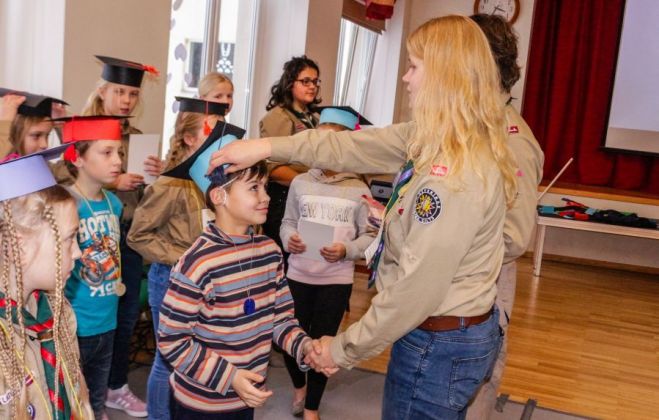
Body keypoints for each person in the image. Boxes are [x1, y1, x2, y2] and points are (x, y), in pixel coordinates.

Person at [207, 15, 518, 419]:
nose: (406, 78)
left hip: (437, 341)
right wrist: (266, 146)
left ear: (444, 76)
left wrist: (342, 348)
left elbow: (416, 290)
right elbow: (348, 148)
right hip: (446, 333)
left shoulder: (453, 175)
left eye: (414, 66)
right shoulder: (439, 138)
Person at [157, 123, 313, 419]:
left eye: (265, 186)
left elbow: (280, 318)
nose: (266, 196)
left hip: (245, 397)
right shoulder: (197, 264)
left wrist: (303, 347)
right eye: (254, 188)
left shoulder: (269, 252)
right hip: (200, 404)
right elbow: (172, 340)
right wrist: (229, 377)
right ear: (219, 197)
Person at [127, 97, 229, 420]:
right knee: (168, 358)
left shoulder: (213, 180)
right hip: (170, 280)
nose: (216, 141)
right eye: (208, 133)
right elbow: (137, 235)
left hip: (205, 283)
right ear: (188, 138)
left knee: (195, 356)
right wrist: (182, 257)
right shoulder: (171, 183)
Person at [466, 14, 544, 420]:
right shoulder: (463, 124)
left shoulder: (513, 141)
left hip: (485, 281)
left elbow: (514, 239)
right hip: (449, 281)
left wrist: (449, 247)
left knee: (477, 379)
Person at [280, 106, 374, 420]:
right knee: (290, 340)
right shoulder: (300, 183)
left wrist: (346, 249)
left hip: (335, 282)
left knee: (323, 344)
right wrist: (289, 238)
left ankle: (311, 408)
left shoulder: (359, 190)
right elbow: (287, 222)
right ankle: (299, 389)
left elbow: (370, 236)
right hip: (298, 275)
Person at [82, 55, 161, 417]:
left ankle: (114, 386)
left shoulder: (136, 137)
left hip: (129, 236)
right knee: (88, 319)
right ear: (102, 90)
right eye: (119, 91)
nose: (127, 100)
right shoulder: (83, 131)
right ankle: (80, 387)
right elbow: (68, 180)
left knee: (124, 317)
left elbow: (144, 199)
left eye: (133, 93)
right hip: (91, 236)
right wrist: (115, 181)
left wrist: (153, 176)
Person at [0, 150, 94, 419]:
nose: (78, 252)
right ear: (20, 246)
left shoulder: (58, 312)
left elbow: (77, 393)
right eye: (69, 239)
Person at [60, 116, 125, 420]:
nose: (117, 160)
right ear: (78, 157)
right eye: (107, 152)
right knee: (71, 396)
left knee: (96, 399)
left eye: (120, 152)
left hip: (107, 319)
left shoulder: (115, 203)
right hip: (76, 323)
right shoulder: (67, 204)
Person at [259, 56, 321, 252]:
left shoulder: (314, 117)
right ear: (289, 83)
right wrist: (308, 183)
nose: (312, 86)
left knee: (309, 254)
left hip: (308, 196)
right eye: (305, 81)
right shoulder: (278, 116)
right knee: (286, 260)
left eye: (315, 81)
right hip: (284, 199)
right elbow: (272, 167)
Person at [0, 88, 67, 157]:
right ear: (14, 136)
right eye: (36, 136)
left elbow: (74, 165)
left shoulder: (42, 165)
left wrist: (61, 127)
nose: (45, 145)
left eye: (47, 136)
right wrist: (6, 122)